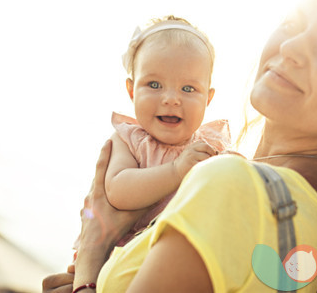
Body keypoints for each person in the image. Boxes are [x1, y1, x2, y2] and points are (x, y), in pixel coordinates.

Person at [44, 0, 317, 292]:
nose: (291, 46)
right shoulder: (316, 228)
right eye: (293, 23)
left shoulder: (235, 188)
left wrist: (92, 265)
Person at [73, 15, 230, 256]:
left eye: (188, 89)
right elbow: (117, 191)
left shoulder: (210, 146)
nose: (171, 99)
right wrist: (177, 170)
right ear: (131, 90)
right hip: (117, 256)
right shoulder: (129, 140)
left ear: (207, 99)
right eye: (154, 85)